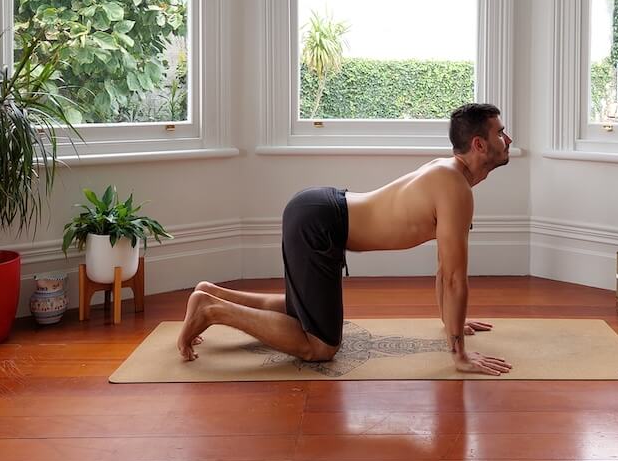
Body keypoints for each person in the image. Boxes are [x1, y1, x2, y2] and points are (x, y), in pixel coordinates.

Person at [176, 103, 513, 376]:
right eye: (500, 132)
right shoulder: (454, 187)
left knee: (299, 315)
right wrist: (460, 354)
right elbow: (454, 278)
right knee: (320, 346)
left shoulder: (449, 176)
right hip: (321, 222)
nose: (508, 138)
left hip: (319, 210)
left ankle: (211, 294)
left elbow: (445, 269)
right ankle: (212, 311)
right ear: (479, 144)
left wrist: (450, 323)